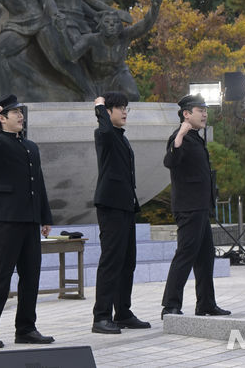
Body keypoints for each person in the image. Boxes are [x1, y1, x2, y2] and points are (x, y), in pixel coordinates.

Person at [0, 94, 54, 349]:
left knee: (31, 275)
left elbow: (38, 183)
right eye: (14, 112)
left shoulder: (31, 146)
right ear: (2, 118)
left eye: (21, 112)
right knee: (0, 275)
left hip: (30, 219)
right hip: (6, 218)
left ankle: (26, 328)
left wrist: (45, 216)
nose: (20, 116)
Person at [161, 94, 231, 320]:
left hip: (200, 207)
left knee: (205, 256)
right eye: (200, 110)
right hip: (189, 208)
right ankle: (170, 306)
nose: (205, 114)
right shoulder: (180, 137)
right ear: (186, 114)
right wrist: (180, 133)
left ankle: (206, 304)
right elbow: (170, 161)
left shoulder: (197, 138)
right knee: (185, 255)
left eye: (205, 110)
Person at [91, 92, 151, 334]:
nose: (125, 112)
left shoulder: (121, 137)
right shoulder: (103, 134)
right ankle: (101, 316)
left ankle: (123, 312)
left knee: (128, 262)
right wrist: (99, 106)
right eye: (119, 108)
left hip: (126, 205)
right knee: (111, 261)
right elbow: (104, 130)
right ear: (108, 112)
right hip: (111, 205)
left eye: (126, 108)